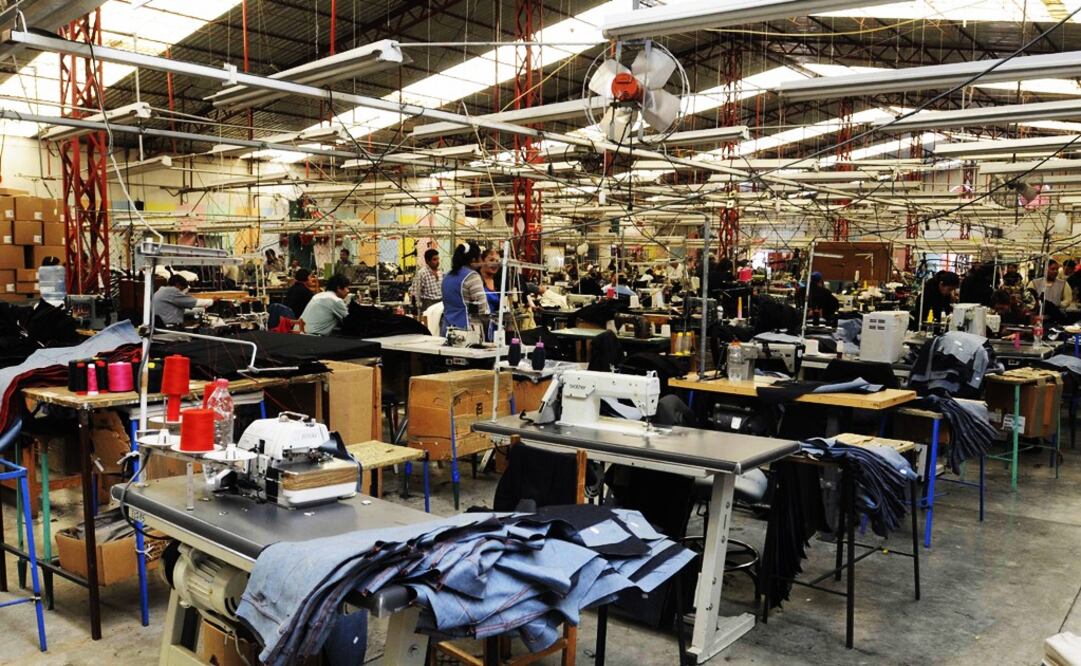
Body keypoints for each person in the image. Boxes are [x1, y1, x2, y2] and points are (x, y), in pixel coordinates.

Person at [440, 242, 488, 335]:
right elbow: (482, 307)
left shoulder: (447, 276)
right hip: (466, 330)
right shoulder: (472, 276)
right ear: (473, 259)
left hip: (447, 329)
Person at [410, 248, 443, 314]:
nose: (437, 261)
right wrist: (418, 306)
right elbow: (415, 291)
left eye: (438, 259)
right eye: (434, 259)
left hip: (440, 302)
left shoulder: (440, 271)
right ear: (427, 261)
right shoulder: (422, 273)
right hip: (428, 303)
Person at [479, 248, 502, 313]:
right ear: (482, 261)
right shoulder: (475, 279)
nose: (495, 264)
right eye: (491, 260)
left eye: (497, 261)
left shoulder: (499, 280)